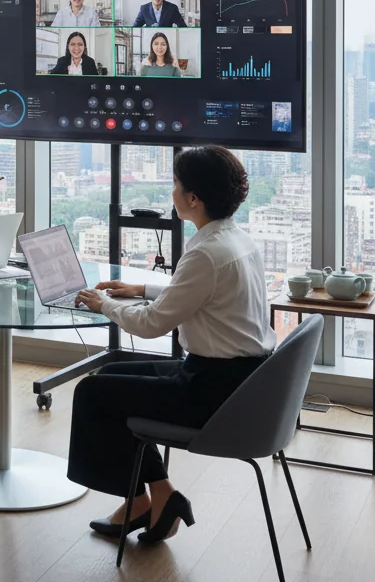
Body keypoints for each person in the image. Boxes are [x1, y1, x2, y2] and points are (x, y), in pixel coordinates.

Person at [67, 146, 275, 545]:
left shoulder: (206, 252)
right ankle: (159, 497)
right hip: (237, 381)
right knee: (110, 377)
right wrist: (143, 287)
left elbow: (151, 324)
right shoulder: (235, 240)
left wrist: (105, 303)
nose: (172, 193)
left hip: (212, 393)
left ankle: (139, 502)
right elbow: (202, 293)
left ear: (194, 198)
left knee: (95, 393)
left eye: (176, 185)